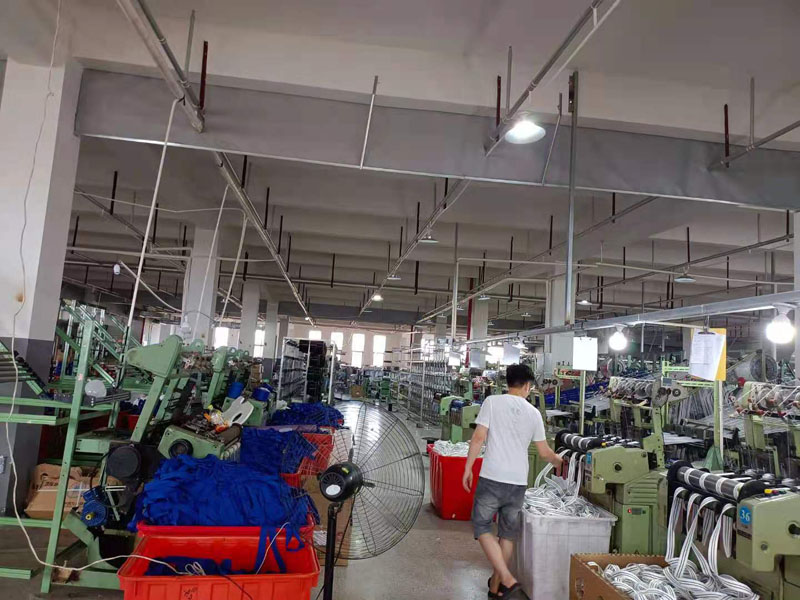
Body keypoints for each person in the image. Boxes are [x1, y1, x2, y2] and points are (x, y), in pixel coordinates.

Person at [462, 364, 563, 599]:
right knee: (507, 534)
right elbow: (544, 452)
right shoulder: (534, 413)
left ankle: (506, 578)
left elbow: (478, 438)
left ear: (507, 383)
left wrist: (468, 467)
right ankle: (495, 588)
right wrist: (560, 461)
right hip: (517, 482)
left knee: (482, 526)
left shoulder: (492, 402)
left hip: (492, 476)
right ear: (527, 385)